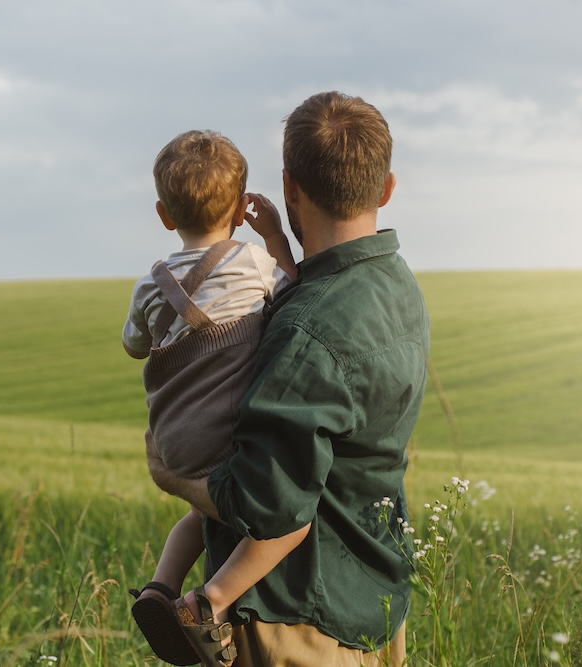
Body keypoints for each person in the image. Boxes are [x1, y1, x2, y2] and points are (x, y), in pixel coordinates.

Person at [148, 92, 430, 667]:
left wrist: (173, 477)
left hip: (296, 621)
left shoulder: (306, 330)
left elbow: (266, 506)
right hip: (372, 602)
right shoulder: (396, 286)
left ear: (289, 188)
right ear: (386, 189)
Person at [122, 129, 310, 666]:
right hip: (227, 436)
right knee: (290, 517)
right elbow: (294, 287)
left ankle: (159, 588)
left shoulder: (149, 285)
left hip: (173, 440)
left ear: (163, 214)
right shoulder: (251, 262)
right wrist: (275, 234)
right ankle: (210, 602)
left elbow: (134, 347)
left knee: (204, 517)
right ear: (239, 208)